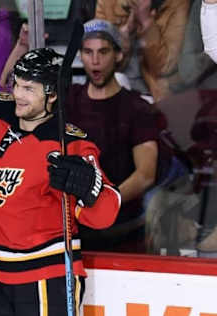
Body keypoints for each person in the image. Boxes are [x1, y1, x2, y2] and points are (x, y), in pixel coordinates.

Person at [0, 36, 120, 314]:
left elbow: (106, 213)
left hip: (46, 275)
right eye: (16, 84)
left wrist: (89, 187)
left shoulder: (71, 144)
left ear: (52, 94)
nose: (18, 94)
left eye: (29, 88)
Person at [65, 19, 159, 252]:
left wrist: (105, 201)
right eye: (88, 52)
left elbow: (146, 174)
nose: (95, 60)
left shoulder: (137, 108)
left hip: (124, 231)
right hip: (76, 231)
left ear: (118, 55)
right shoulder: (68, 101)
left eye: (103, 52)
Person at [95, 0, 190, 102]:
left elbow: (166, 68)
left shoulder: (177, 4)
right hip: (116, 90)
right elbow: (99, 62)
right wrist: (126, 32)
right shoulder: (108, 3)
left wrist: (146, 21)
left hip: (157, 96)